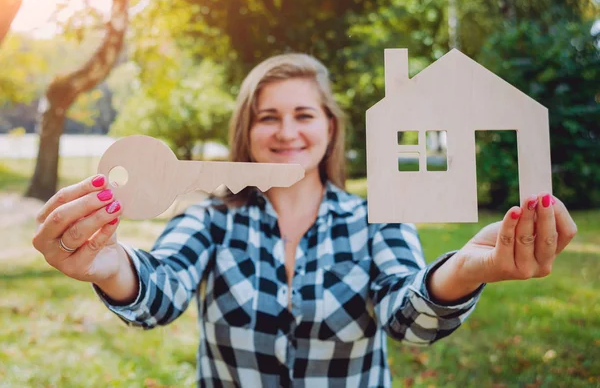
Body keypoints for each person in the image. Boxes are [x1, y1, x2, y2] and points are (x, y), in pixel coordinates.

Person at [32, 53, 577, 387]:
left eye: (303, 115)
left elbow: (408, 316)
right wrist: (109, 267)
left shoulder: (376, 220)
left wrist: (465, 268)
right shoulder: (214, 220)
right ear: (246, 132)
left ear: (330, 128)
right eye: (268, 117)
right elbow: (161, 289)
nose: (286, 132)